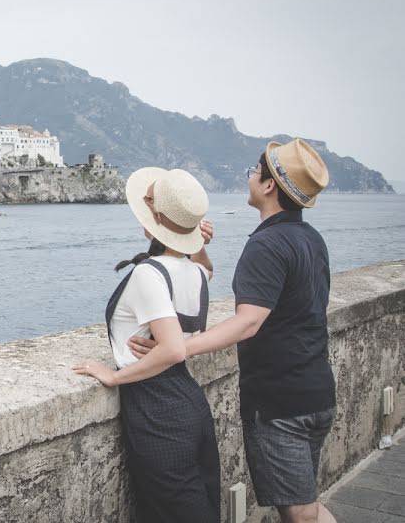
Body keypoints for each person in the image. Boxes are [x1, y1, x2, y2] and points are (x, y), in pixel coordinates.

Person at [129, 139, 337, 523]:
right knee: (305, 505)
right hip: (316, 389)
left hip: (281, 401)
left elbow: (248, 322)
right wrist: (195, 246)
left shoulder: (267, 245)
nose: (250, 178)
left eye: (255, 172)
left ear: (269, 185)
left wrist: (179, 347)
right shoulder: (312, 240)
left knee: (302, 513)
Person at [74, 167, 219, 523]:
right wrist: (196, 245)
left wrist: (114, 377)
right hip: (189, 400)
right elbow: (206, 269)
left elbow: (172, 349)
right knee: (201, 508)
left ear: (155, 220)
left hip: (156, 409)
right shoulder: (195, 271)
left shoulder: (148, 273)